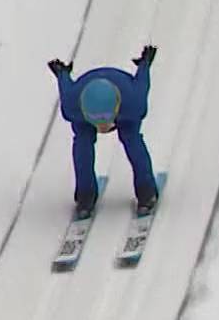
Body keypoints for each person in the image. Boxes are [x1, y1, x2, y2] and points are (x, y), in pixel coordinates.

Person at [48, 45, 158, 219]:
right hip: (86, 105)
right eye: (97, 123)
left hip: (122, 98)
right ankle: (85, 194)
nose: (102, 129)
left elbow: (142, 82)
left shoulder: (134, 103)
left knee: (132, 140)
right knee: (82, 145)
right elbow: (65, 86)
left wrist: (144, 64)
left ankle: (146, 189)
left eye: (105, 123)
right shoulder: (72, 106)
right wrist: (62, 73)